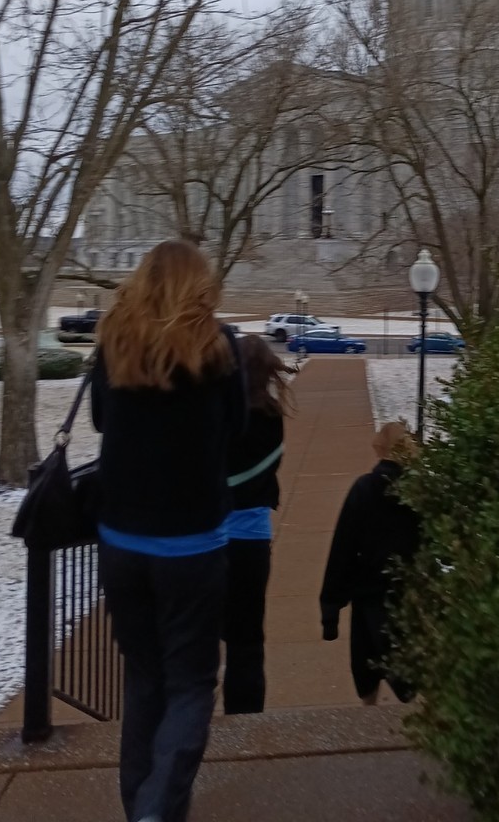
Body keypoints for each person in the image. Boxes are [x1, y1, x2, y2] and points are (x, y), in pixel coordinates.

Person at [91, 240, 245, 822]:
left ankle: (143, 808)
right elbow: (234, 427)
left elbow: (104, 420)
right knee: (190, 683)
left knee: (146, 679)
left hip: (122, 540)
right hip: (192, 544)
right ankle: (155, 808)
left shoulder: (114, 342)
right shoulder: (218, 347)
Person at [319, 420, 420, 705]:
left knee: (365, 668)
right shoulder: (420, 492)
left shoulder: (364, 489)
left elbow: (343, 548)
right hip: (408, 593)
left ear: (379, 448)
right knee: (406, 669)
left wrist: (330, 608)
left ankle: (368, 723)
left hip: (368, 597)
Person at [222, 335, 296, 714]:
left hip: (209, 541)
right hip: (251, 542)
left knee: (196, 639)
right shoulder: (272, 419)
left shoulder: (218, 419)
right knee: (247, 641)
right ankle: (244, 727)